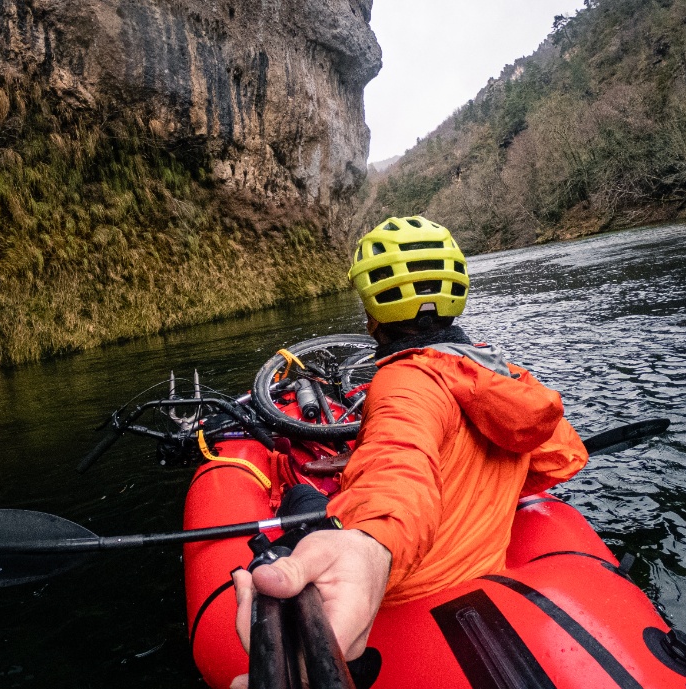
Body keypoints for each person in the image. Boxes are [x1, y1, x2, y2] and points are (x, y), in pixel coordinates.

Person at [230, 216, 588, 688]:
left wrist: (368, 542)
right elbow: (558, 456)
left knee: (299, 500)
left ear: (373, 314)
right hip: (480, 575)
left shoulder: (403, 381)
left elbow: (398, 477)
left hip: (407, 589)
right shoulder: (503, 379)